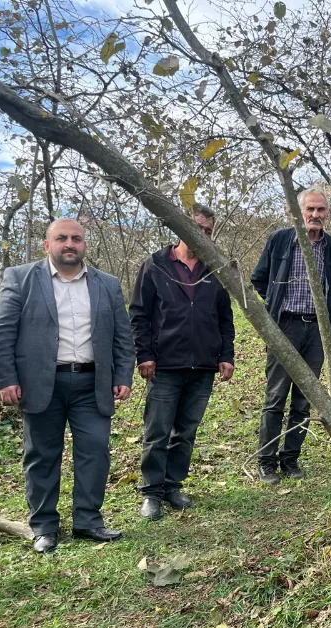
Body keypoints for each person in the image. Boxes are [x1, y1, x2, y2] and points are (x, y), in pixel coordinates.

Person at [0, 218, 135, 553]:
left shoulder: (106, 284)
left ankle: (88, 521)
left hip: (91, 383)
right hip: (41, 384)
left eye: (77, 239)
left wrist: (123, 376)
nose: (70, 244)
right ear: (47, 244)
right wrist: (5, 379)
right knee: (41, 455)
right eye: (62, 238)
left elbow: (123, 336)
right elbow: (0, 332)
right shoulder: (20, 279)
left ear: (85, 244)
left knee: (95, 451)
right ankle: (44, 527)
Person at [129, 204, 235, 521]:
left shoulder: (214, 268)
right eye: (195, 228)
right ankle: (151, 493)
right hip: (165, 365)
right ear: (179, 229)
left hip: (203, 365)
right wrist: (144, 354)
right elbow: (139, 315)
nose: (201, 235)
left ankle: (173, 486)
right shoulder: (155, 265)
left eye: (206, 231)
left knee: (186, 432)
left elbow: (226, 318)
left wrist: (226, 355)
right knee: (157, 432)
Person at [251, 189, 331, 484]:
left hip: (317, 330)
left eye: (320, 210)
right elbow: (259, 277)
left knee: (305, 400)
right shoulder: (280, 240)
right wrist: (275, 304)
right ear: (298, 211)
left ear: (327, 213)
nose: (315, 215)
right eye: (310, 209)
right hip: (284, 327)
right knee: (276, 396)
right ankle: (266, 461)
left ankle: (290, 459)